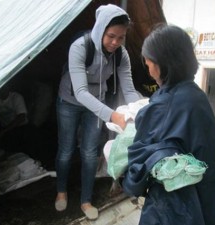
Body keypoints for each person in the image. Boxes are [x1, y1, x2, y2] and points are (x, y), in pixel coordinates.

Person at [122, 24, 215, 225]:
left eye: (149, 61)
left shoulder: (165, 105)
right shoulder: (197, 94)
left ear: (164, 64)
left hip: (178, 206)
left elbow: (138, 165)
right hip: (209, 194)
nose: (147, 65)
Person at [55, 4, 140, 220]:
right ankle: (61, 191)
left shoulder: (121, 54)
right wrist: (112, 115)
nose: (115, 43)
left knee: (90, 152)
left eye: (121, 38)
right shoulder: (80, 47)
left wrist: (141, 111)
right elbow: (81, 92)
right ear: (100, 29)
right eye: (111, 36)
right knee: (66, 150)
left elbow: (129, 90)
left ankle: (86, 201)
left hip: (98, 103)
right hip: (70, 101)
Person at [0, 83, 28, 151]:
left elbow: (21, 117)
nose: (2, 89)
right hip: (5, 128)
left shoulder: (16, 97)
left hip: (21, 127)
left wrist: (3, 132)